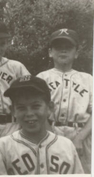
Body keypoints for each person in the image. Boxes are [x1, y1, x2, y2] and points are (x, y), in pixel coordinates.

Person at [0, 75, 84, 174]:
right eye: (21, 108)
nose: (29, 113)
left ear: (50, 108)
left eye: (36, 106)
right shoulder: (3, 146)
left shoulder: (66, 146)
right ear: (13, 111)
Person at [37, 28, 92, 173]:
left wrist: (80, 138)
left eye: (68, 47)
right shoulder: (42, 78)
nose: (63, 51)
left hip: (81, 133)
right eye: (58, 47)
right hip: (49, 130)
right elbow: (37, 110)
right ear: (50, 52)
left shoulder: (88, 79)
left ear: (77, 53)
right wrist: (51, 136)